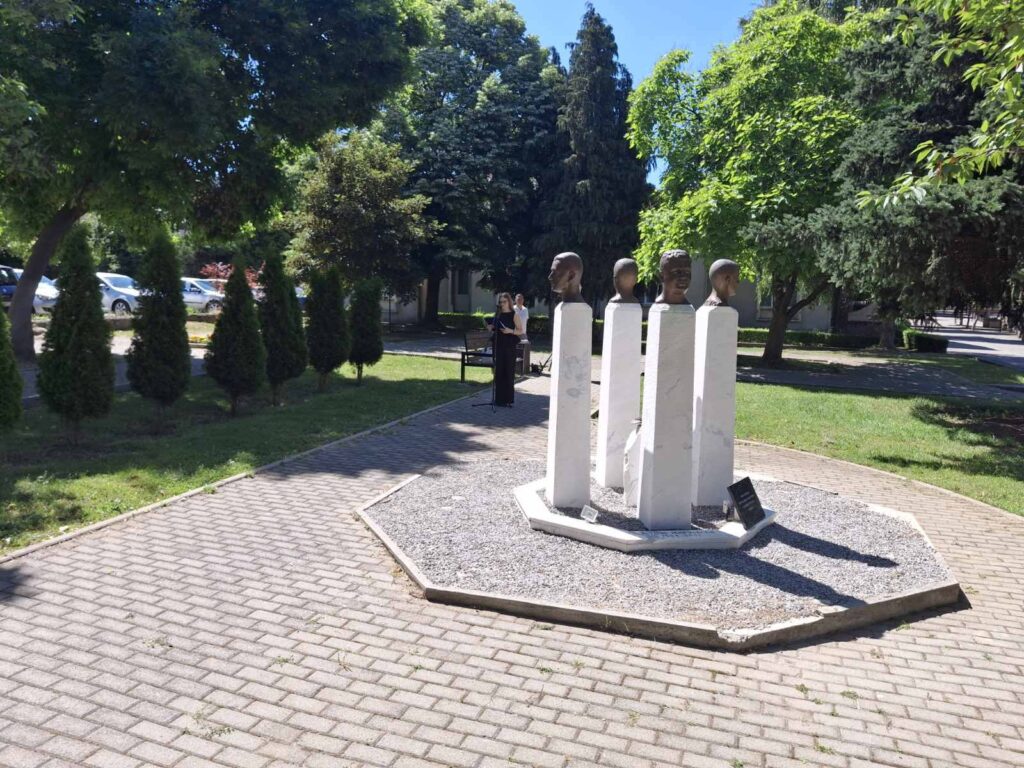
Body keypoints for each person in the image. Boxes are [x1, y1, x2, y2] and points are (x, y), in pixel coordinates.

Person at [486, 293, 523, 406]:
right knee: (499, 372)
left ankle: (508, 400)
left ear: (509, 302)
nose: (502, 304)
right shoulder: (498, 314)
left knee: (508, 372)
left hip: (509, 346)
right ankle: (499, 400)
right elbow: (493, 327)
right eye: (500, 302)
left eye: (504, 302)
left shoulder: (514, 315)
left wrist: (510, 331)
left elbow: (520, 330)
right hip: (499, 345)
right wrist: (490, 327)